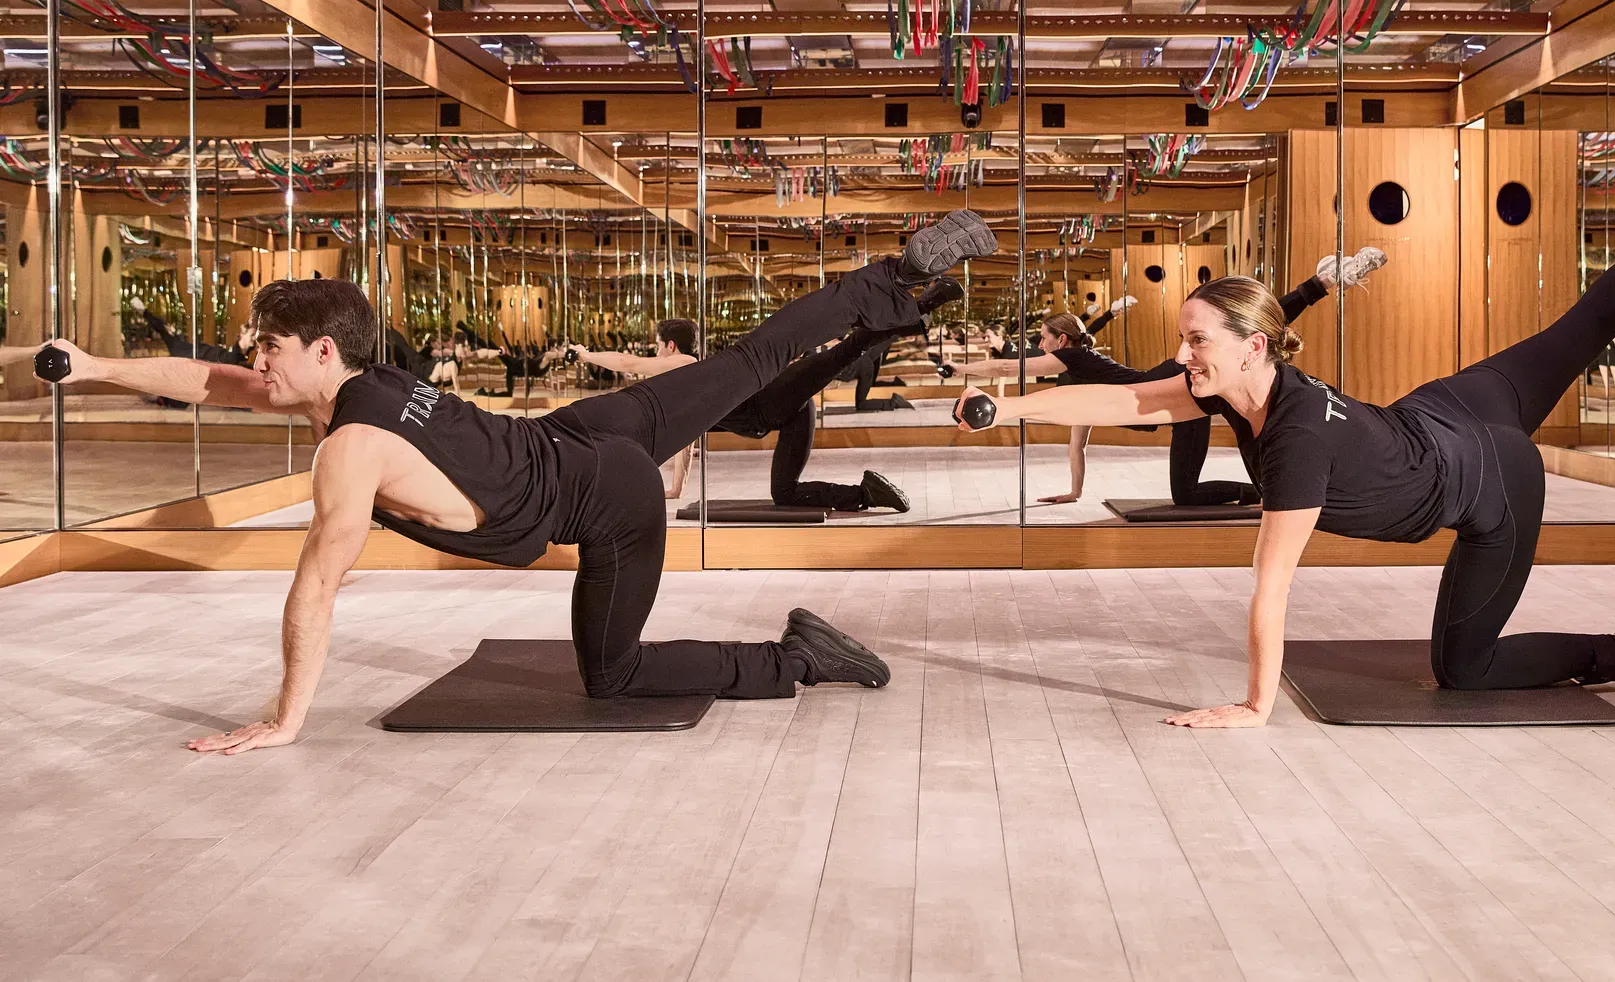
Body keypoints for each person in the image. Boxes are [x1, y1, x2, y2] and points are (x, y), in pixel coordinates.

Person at [41, 209, 997, 754]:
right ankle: (889, 285)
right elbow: (212, 382)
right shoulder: (362, 380)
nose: (257, 362)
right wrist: (92, 366)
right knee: (747, 378)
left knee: (613, 678)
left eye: (271, 347)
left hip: (603, 491)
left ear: (319, 350)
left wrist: (285, 719)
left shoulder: (346, 448)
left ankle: (799, 658)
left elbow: (317, 584)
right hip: (583, 431)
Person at [954, 165, 1615, 725]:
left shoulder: (1295, 439)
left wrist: (1254, 707)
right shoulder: (1234, 388)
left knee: (1466, 670)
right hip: (1449, 409)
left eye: (1197, 341)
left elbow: (1270, 589)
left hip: (1491, 478)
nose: (1182, 357)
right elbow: (1126, 394)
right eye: (1184, 340)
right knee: (1580, 328)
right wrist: (1008, 401)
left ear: (1254, 347)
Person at [945, 254, 1381, 505]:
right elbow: (1080, 431)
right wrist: (1074, 492)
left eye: (1042, 338)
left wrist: (959, 371)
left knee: (1239, 326)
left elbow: (1006, 368)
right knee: (1186, 494)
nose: (1038, 346)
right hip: (1169, 405)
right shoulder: (1078, 377)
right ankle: (1265, 490)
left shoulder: (1069, 357)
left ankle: (1322, 282)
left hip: (1162, 386)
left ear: (1060, 339)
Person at [574, 279, 961, 513]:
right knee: (785, 493)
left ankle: (926, 301)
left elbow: (627, 362)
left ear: (670, 347)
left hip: (773, 402)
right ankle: (867, 493)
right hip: (787, 414)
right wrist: (676, 489)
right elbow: (686, 442)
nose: (654, 354)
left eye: (657, 347)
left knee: (845, 351)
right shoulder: (689, 392)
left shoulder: (685, 363)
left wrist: (588, 354)